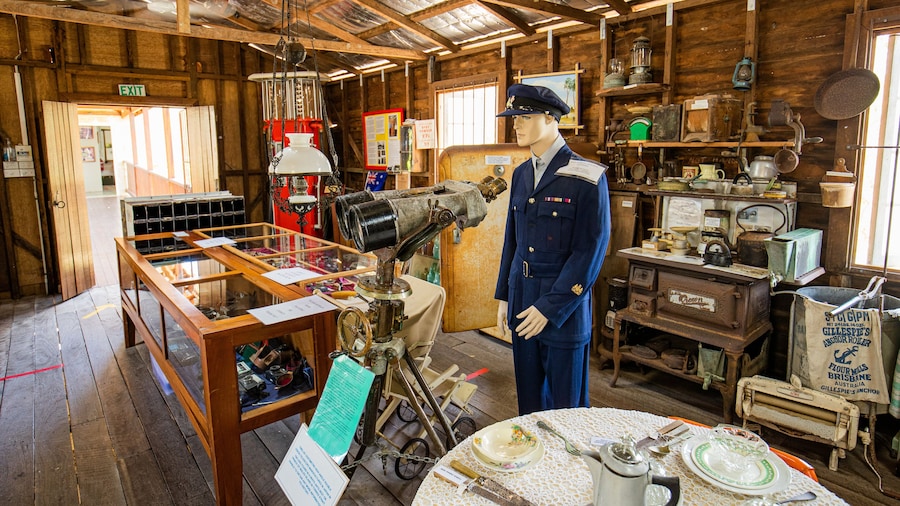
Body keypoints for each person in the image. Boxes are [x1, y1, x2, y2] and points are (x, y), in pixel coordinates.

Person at [494, 83, 611, 415]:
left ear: (549, 118)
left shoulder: (587, 177)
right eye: (513, 117)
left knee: (567, 411)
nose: (514, 123)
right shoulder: (520, 175)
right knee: (529, 405)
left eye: (523, 117)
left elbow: (590, 251)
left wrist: (550, 307)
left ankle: (569, 468)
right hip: (522, 300)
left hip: (563, 311)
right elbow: (512, 240)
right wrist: (504, 294)